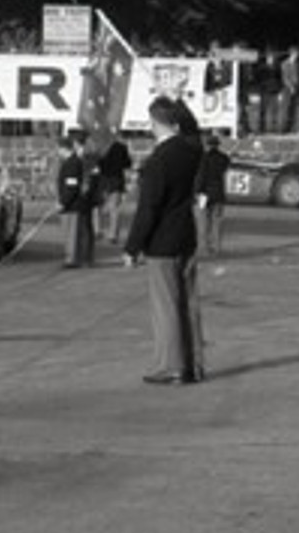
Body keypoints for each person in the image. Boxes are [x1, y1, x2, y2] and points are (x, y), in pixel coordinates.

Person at [124, 96, 206, 386]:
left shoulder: (158, 160)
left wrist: (132, 246)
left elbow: (148, 208)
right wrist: (179, 103)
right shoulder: (191, 151)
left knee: (166, 307)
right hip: (186, 234)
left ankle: (171, 366)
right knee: (188, 303)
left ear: (155, 123)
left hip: (162, 241)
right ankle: (194, 364)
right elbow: (194, 130)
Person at [56, 134, 95, 268]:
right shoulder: (72, 162)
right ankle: (74, 257)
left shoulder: (72, 163)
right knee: (71, 232)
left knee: (71, 233)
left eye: (58, 149)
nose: (57, 152)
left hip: (72, 205)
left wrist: (63, 202)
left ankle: (71, 259)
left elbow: (71, 186)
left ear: (63, 148)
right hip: (72, 204)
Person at [194, 134, 231, 257]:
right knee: (217, 222)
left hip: (204, 194)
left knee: (203, 221)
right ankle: (217, 247)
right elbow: (226, 164)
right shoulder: (224, 158)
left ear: (207, 145)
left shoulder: (203, 158)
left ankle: (204, 247)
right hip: (218, 193)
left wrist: (196, 191)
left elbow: (200, 177)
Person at [95, 130, 133, 245]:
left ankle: (98, 230)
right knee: (115, 209)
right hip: (116, 180)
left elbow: (96, 162)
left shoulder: (100, 146)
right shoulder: (122, 147)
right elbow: (128, 164)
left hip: (103, 179)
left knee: (98, 207)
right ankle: (113, 234)